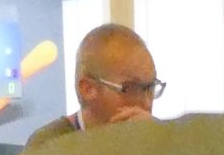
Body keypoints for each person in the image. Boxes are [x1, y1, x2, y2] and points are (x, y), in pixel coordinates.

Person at [26, 23, 160, 147]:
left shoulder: (155, 138)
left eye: (151, 88)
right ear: (88, 89)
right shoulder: (49, 145)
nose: (147, 104)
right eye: (131, 89)